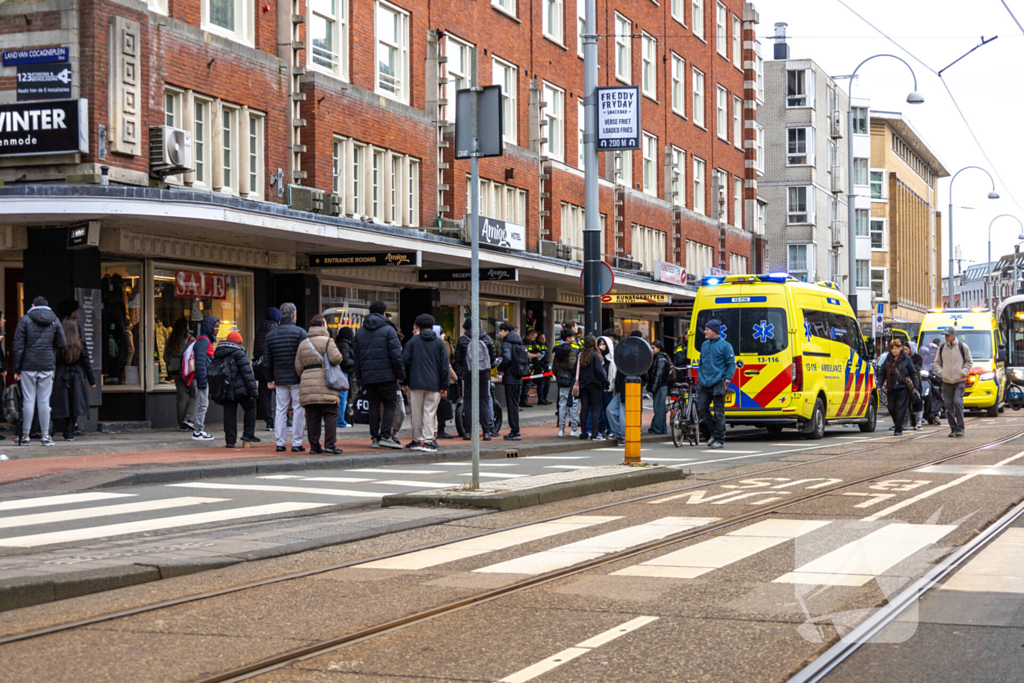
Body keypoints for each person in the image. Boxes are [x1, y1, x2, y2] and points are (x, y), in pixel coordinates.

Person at [13, 296, 67, 446]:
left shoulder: (25, 320)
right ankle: (45, 436)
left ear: (32, 305)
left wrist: (16, 368)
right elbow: (62, 343)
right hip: (47, 365)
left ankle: (25, 436)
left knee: (28, 400)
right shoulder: (54, 320)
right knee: (44, 401)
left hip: (28, 365)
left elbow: (18, 347)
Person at [354, 301, 405, 449]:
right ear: (384, 313)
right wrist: (400, 374)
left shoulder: (360, 332)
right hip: (387, 375)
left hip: (368, 376)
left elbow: (356, 358)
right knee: (390, 404)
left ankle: (374, 437)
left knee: (373, 406)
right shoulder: (389, 330)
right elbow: (396, 355)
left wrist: (359, 378)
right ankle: (385, 435)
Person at [295, 315, 344, 455]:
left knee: (312, 416)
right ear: (323, 326)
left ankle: (314, 446)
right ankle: (330, 444)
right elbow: (336, 358)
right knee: (330, 414)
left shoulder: (303, 343)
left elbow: (298, 367)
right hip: (327, 382)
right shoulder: (329, 341)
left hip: (308, 384)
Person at [401, 313, 449, 452]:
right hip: (434, 384)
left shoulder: (412, 342)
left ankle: (417, 440)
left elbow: (405, 362)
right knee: (429, 412)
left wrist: (404, 382)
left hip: (415, 383)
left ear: (418, 327)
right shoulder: (440, 343)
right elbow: (444, 366)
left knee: (416, 413)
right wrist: (444, 386)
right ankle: (428, 440)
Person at [266, 302, 307, 452]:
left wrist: (270, 378)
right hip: (297, 377)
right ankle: (296, 443)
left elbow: (267, 360)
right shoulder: (300, 333)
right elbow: (305, 356)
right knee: (298, 409)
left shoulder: (271, 335)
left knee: (280, 410)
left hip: (279, 378)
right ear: (294, 316)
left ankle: (280, 443)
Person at [51, 317, 96, 441]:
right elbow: (86, 363)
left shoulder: (57, 344)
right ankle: (69, 432)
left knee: (59, 403)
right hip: (77, 376)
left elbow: (52, 360)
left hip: (60, 375)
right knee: (75, 404)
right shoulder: (80, 344)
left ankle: (51, 428)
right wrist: (92, 381)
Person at [454, 317, 497, 441]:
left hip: (468, 374)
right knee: (484, 402)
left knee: (468, 402)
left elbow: (457, 358)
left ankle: (468, 432)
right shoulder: (487, 338)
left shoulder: (463, 340)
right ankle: (486, 432)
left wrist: (465, 366)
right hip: (484, 374)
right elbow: (493, 357)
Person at [696, 319, 736, 449]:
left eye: (707, 329)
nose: (705, 331)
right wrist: (700, 377)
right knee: (702, 409)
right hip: (704, 383)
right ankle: (713, 433)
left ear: (714, 331)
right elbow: (701, 362)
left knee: (719, 412)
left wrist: (727, 380)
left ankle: (719, 439)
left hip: (718, 383)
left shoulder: (725, 346)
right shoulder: (704, 345)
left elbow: (731, 364)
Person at [216, 331, 259, 448]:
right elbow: (247, 374)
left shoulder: (219, 352)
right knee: (250, 408)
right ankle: (247, 436)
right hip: (241, 389)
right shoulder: (239, 353)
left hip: (226, 388)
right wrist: (253, 392)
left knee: (229, 413)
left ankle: (230, 441)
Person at [933, 326, 972, 437]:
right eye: (945, 335)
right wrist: (942, 372)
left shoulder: (962, 347)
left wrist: (963, 372)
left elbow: (969, 362)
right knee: (948, 405)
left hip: (960, 380)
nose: (946, 337)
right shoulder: (941, 348)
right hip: (946, 381)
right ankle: (953, 428)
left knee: (957, 402)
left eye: (948, 335)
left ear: (954, 335)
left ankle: (960, 427)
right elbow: (936, 363)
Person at [190, 315, 220, 442]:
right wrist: (202, 380)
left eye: (218, 327)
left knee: (201, 404)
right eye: (215, 326)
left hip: (203, 377)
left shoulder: (205, 340)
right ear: (209, 327)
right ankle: (198, 431)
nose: (217, 329)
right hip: (202, 378)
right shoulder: (203, 341)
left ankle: (198, 430)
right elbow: (200, 362)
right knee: (202, 404)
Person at [879, 339, 917, 437]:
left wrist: (916, 386)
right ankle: (898, 424)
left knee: (900, 408)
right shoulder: (888, 359)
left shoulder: (906, 359)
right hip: (891, 387)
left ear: (900, 349)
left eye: (896, 348)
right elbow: (882, 373)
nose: (894, 350)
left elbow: (913, 373)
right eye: (892, 348)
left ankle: (898, 429)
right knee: (891, 408)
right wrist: (879, 385)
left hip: (903, 388)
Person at [164, 317, 195, 432]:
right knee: (195, 394)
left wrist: (172, 363)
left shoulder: (171, 339)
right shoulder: (190, 339)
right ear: (186, 326)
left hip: (175, 371)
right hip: (188, 371)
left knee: (181, 397)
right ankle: (189, 419)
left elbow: (165, 357)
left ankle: (182, 424)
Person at [498, 321, 527, 440]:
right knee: (515, 404)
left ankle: (515, 431)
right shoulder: (519, 342)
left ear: (506, 331)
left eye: (501, 331)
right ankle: (515, 430)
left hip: (510, 377)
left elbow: (507, 358)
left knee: (512, 405)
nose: (499, 333)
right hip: (519, 376)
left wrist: (500, 368)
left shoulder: (506, 343)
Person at [576, 336, 608, 441]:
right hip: (594, 385)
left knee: (584, 409)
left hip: (583, 385)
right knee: (595, 409)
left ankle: (584, 432)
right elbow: (599, 371)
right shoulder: (595, 355)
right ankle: (594, 434)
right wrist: (605, 382)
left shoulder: (581, 355)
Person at [254, 307, 280, 431]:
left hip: (261, 366)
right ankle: (283, 420)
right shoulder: (276, 331)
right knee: (281, 393)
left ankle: (268, 421)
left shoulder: (259, 331)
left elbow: (256, 350)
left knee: (264, 394)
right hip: (274, 365)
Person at [554, 328, 580, 437]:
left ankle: (561, 429)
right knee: (573, 404)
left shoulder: (558, 349)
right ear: (568, 338)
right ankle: (573, 429)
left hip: (561, 381)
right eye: (572, 336)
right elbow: (572, 366)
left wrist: (559, 375)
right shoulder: (570, 350)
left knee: (562, 405)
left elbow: (554, 367)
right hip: (570, 381)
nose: (574, 338)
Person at [646, 341, 672, 435]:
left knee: (658, 408)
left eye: (653, 348)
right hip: (661, 386)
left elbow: (658, 376)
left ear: (658, 348)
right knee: (660, 408)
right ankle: (662, 429)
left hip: (660, 386)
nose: (651, 350)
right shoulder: (660, 358)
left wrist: (652, 388)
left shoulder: (660, 359)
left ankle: (656, 428)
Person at [334, 326, 356, 429]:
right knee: (343, 398)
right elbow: (345, 361)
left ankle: (339, 419)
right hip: (344, 373)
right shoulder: (345, 345)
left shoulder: (337, 343)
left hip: (337, 373)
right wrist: (356, 362)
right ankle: (340, 421)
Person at [597, 335, 617, 438]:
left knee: (608, 409)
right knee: (599, 409)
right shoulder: (597, 358)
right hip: (598, 388)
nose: (601, 346)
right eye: (599, 344)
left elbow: (613, 375)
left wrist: (610, 386)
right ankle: (601, 428)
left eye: (603, 344)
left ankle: (610, 429)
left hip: (608, 389)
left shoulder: (611, 360)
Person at [906, 342, 924, 431]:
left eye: (906, 349)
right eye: (904, 349)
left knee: (917, 400)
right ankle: (906, 421)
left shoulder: (918, 358)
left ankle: (919, 421)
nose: (905, 351)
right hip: (905, 382)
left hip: (915, 382)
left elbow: (918, 367)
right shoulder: (902, 358)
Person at [521, 328, 539, 408]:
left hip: (529, 365)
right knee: (526, 384)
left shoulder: (532, 343)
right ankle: (523, 400)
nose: (534, 339)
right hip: (525, 366)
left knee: (527, 384)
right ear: (530, 335)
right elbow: (526, 354)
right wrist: (536, 355)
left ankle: (524, 400)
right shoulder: (525, 343)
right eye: (534, 337)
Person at [534, 332, 552, 405]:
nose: (543, 339)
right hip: (540, 367)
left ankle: (545, 398)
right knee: (541, 383)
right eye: (542, 338)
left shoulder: (545, 345)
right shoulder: (536, 346)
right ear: (538, 339)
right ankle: (540, 399)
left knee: (547, 383)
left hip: (546, 366)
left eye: (544, 338)